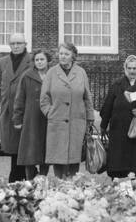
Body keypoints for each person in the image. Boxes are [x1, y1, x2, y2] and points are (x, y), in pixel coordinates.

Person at [38, 40, 97, 179]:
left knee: (74, 158)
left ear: (73, 56)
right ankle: (59, 186)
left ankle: (72, 188)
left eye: (66, 53)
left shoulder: (81, 73)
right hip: (57, 122)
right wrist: (50, 113)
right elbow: (44, 98)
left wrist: (89, 118)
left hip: (77, 122)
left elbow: (87, 97)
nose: (62, 56)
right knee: (58, 158)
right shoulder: (52, 73)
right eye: (61, 53)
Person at [100, 54, 136, 179]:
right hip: (119, 129)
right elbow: (107, 106)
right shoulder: (117, 85)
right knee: (118, 163)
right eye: (129, 68)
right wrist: (103, 125)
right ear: (125, 68)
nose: (132, 71)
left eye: (135, 68)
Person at [12, 49, 50, 181]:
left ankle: (43, 179)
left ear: (47, 61)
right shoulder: (27, 76)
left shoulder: (53, 75)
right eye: (37, 60)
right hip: (31, 120)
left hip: (48, 119)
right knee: (30, 152)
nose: (39, 62)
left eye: (42, 59)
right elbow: (19, 98)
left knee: (46, 151)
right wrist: (18, 119)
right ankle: (29, 181)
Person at [0, 32, 31, 180]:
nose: (16, 46)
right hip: (8, 110)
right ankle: (17, 177)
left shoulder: (32, 61)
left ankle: (21, 177)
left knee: (24, 147)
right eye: (13, 44)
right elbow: (2, 84)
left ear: (25, 44)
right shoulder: (3, 62)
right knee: (12, 148)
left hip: (25, 110)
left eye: (19, 43)